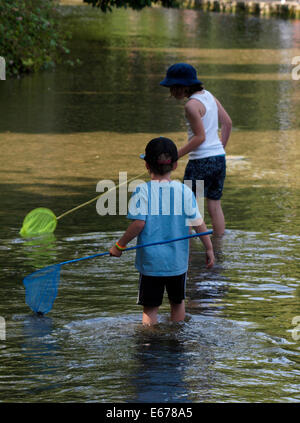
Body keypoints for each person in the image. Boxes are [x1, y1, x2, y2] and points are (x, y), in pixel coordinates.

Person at [109, 137, 214, 326]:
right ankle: (177, 339)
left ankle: (149, 344)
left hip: (151, 264)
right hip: (177, 263)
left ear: (147, 165)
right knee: (177, 303)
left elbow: (138, 224)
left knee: (150, 308)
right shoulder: (184, 191)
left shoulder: (142, 191)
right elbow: (199, 223)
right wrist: (209, 248)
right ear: (174, 165)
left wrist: (119, 246)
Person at [160, 63, 232, 236]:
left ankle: (188, 250)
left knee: (190, 207)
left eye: (172, 88)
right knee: (214, 205)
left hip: (200, 162)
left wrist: (173, 156)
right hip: (219, 159)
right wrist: (219, 148)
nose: (171, 92)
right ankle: (217, 248)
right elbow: (227, 123)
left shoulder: (191, 106)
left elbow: (200, 137)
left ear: (183, 87)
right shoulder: (209, 96)